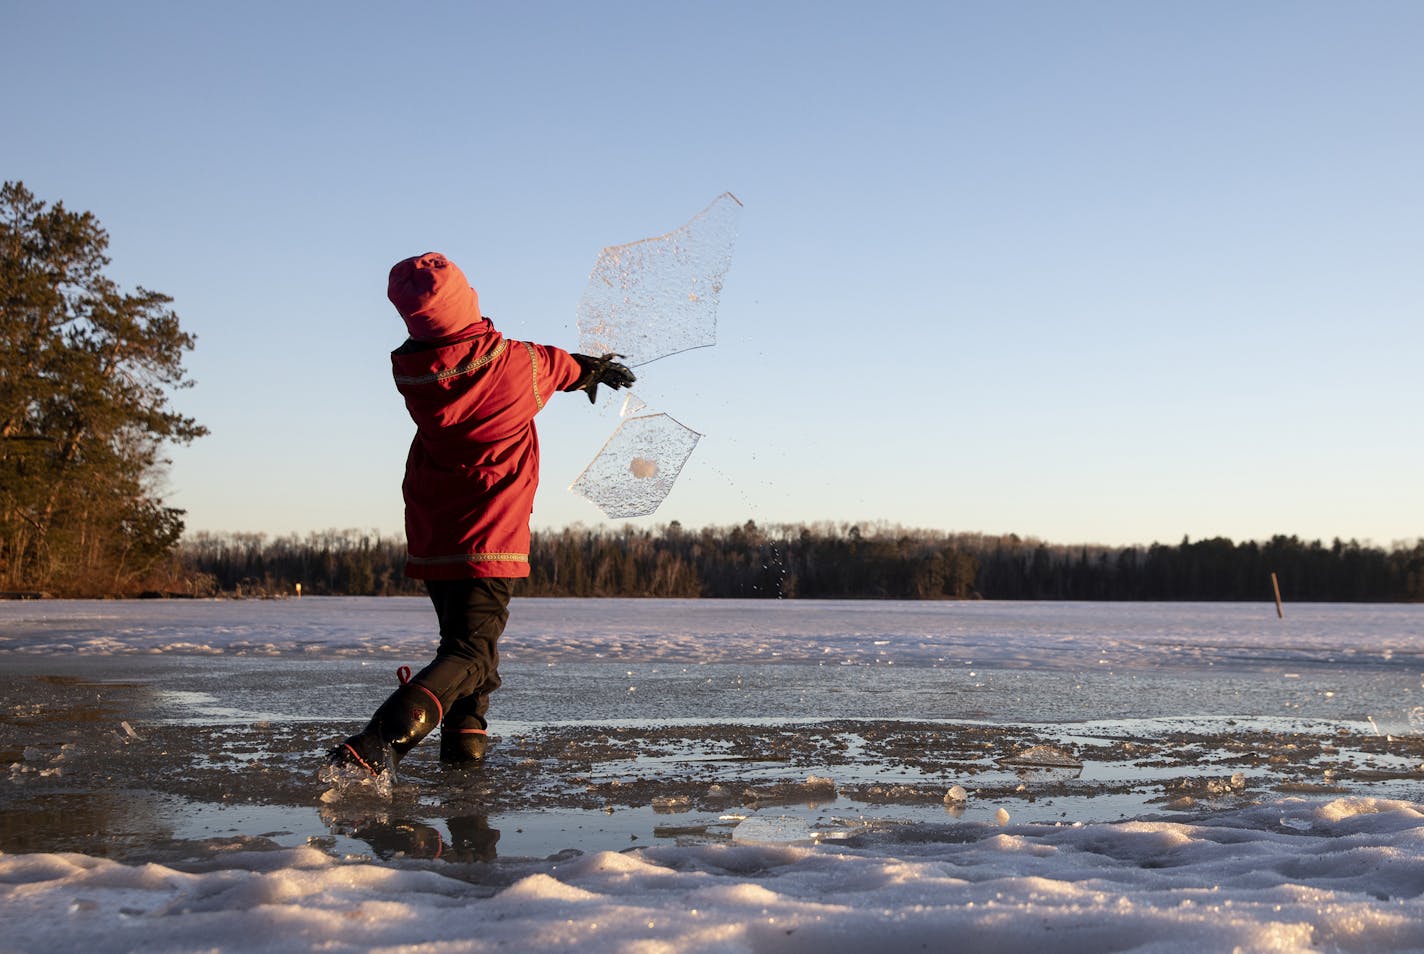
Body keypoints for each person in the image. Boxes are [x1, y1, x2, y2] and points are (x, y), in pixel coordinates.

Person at [327, 252, 634, 777]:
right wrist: (592, 371)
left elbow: (549, 364)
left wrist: (577, 370)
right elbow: (562, 366)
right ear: (467, 301)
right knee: (471, 657)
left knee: (469, 652)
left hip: (434, 531)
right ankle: (378, 742)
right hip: (490, 535)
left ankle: (463, 763)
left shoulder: (415, 373)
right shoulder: (515, 363)